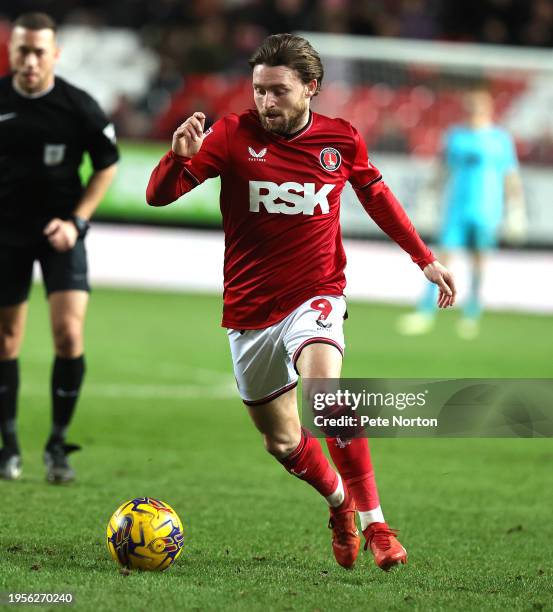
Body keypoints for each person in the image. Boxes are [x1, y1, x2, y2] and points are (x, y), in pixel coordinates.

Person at [146, 34, 455, 571]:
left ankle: (377, 523)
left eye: (279, 91)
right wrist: (177, 161)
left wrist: (423, 259)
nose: (266, 102)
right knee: (282, 440)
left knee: (325, 396)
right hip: (248, 311)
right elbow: (159, 195)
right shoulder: (229, 135)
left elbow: (377, 198)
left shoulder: (341, 139)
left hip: (317, 294)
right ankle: (340, 505)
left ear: (311, 87)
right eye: (259, 90)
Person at [0, 13, 119, 483]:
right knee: (6, 339)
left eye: (39, 52)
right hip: (5, 234)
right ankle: (8, 446)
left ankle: (56, 447)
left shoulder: (78, 106)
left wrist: (78, 220)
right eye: (22, 50)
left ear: (55, 54)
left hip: (60, 234)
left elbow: (107, 164)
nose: (30, 60)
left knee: (68, 334)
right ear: (12, 51)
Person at [398, 88, 526, 339]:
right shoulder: (456, 136)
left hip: (487, 210)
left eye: (478, 107)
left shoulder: (500, 139)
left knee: (479, 260)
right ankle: (426, 310)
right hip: (457, 208)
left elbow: (510, 176)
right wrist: (429, 196)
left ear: (488, 109)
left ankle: (472, 312)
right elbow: (442, 169)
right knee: (441, 258)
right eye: (470, 107)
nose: (474, 112)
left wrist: (516, 210)